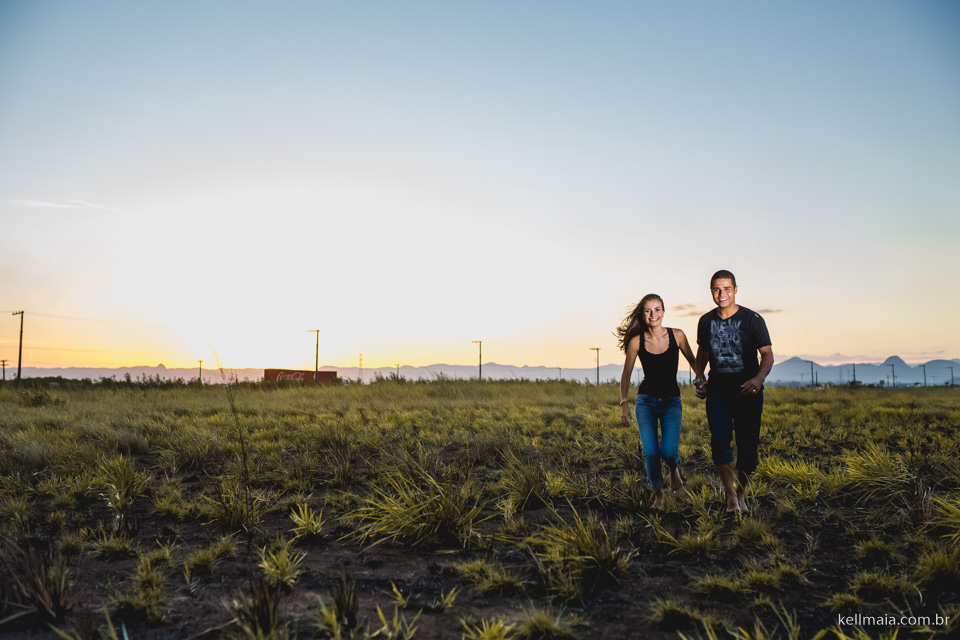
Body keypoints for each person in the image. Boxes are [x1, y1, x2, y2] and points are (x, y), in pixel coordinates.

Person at [693, 270, 773, 513]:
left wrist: (759, 379)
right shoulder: (706, 321)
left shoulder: (753, 319)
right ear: (711, 292)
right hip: (718, 392)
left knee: (748, 448)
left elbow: (767, 355)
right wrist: (700, 377)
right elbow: (703, 354)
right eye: (717, 289)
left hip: (748, 391)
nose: (722, 294)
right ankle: (730, 497)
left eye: (727, 288)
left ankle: (742, 493)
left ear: (736, 289)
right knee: (720, 441)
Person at [618, 293, 698, 509]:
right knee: (651, 452)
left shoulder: (678, 335)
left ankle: (674, 469)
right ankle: (658, 495)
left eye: (657, 309)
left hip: (672, 401)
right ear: (643, 314)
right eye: (648, 310)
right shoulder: (637, 342)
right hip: (646, 402)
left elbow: (694, 361)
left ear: (663, 312)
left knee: (669, 451)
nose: (653, 314)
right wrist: (624, 403)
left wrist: (701, 379)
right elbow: (625, 375)